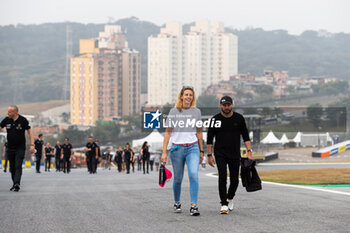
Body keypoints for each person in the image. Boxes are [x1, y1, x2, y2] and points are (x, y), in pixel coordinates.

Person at [161, 86, 204, 216]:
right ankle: (177, 202)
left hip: (193, 147)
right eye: (186, 94)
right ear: (181, 96)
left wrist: (201, 151)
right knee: (178, 178)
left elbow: (199, 132)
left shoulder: (196, 112)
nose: (188, 97)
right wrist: (164, 152)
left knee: (193, 175)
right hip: (177, 149)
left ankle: (194, 205)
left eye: (191, 95)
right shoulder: (174, 112)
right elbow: (168, 133)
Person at [207, 96, 253, 214]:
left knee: (235, 180)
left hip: (234, 153)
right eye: (224, 105)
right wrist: (209, 155)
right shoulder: (215, 120)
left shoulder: (239, 118)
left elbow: (246, 136)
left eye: (228, 105)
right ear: (220, 106)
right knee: (222, 177)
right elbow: (209, 139)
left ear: (232, 105)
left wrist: (249, 151)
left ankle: (230, 197)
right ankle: (223, 203)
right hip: (220, 153)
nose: (226, 107)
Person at [0, 105, 35, 192]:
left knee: (18, 166)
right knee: (12, 168)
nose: (8, 113)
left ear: (15, 113)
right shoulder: (6, 120)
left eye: (9, 112)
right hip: (10, 148)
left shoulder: (23, 120)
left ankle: (17, 183)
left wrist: (32, 145)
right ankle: (14, 183)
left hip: (20, 148)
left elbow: (30, 132)